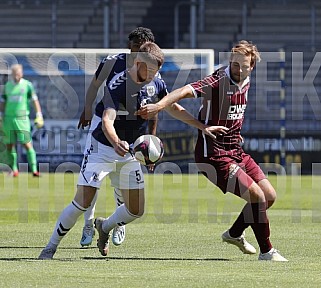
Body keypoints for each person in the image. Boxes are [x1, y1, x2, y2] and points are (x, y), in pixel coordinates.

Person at [38, 42, 224, 259]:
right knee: (82, 202)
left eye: (158, 71)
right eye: (152, 70)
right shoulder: (119, 85)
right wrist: (116, 141)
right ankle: (50, 247)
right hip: (103, 148)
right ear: (138, 64)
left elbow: (173, 107)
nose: (155, 75)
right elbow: (107, 119)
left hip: (130, 152)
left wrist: (202, 126)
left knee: (136, 210)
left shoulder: (156, 83)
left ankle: (104, 227)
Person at [136, 40, 288, 261]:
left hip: (236, 149)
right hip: (213, 156)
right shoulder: (218, 81)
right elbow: (181, 91)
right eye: (233, 63)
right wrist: (158, 106)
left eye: (242, 65)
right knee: (256, 196)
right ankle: (267, 252)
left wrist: (236, 130)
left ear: (251, 66)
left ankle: (234, 234)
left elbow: (234, 111)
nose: (236, 68)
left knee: (270, 196)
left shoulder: (246, 80)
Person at [77, 27, 159, 248]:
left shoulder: (153, 71)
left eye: (139, 49)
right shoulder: (113, 62)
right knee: (91, 177)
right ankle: (88, 224)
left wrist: (152, 137)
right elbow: (95, 85)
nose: (134, 54)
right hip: (104, 121)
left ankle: (118, 222)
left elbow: (156, 107)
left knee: (123, 176)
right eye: (132, 48)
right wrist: (86, 108)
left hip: (132, 128)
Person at [0, 64, 44, 177]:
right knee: (9, 145)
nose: (16, 76)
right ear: (12, 74)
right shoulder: (7, 87)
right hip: (8, 119)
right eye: (14, 74)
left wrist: (39, 114)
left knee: (27, 144)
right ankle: (14, 169)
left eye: (18, 73)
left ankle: (34, 170)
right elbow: (3, 103)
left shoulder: (27, 85)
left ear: (22, 73)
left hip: (22, 119)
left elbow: (35, 101)